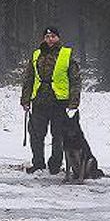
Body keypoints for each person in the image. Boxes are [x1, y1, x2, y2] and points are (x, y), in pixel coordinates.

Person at [20, 26, 81, 174]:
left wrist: (74, 102)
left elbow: (75, 80)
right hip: (39, 101)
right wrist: (25, 99)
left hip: (59, 102)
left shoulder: (66, 54)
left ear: (58, 38)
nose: (50, 39)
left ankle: (55, 165)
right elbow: (29, 78)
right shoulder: (36, 54)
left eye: (53, 36)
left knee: (58, 136)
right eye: (47, 37)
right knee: (36, 135)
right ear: (43, 38)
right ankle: (38, 164)